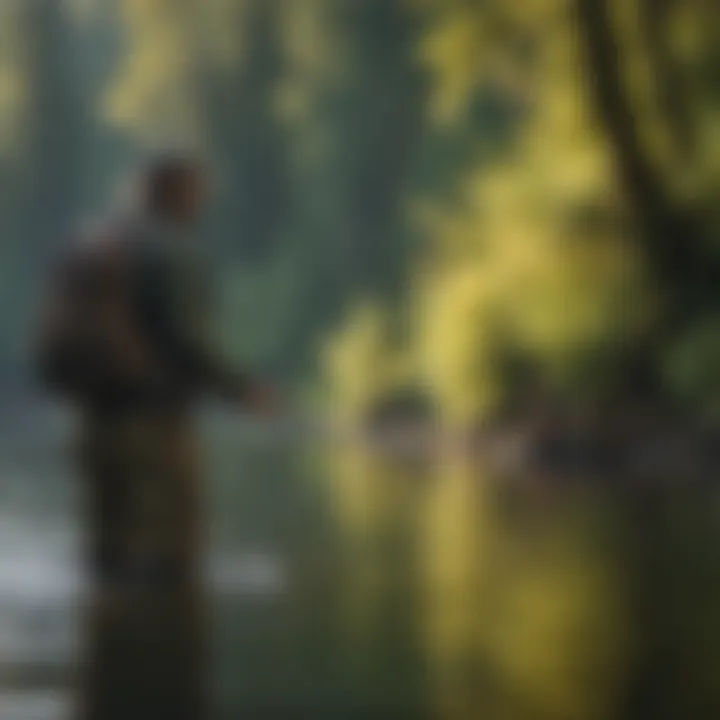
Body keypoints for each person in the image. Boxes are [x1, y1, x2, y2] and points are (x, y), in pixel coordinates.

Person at [35, 153, 277, 720]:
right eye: (199, 191)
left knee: (106, 562)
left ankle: (103, 686)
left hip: (95, 424)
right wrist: (244, 390)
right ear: (181, 195)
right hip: (154, 430)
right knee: (168, 565)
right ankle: (158, 685)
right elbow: (188, 342)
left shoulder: (104, 239)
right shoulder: (173, 249)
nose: (205, 201)